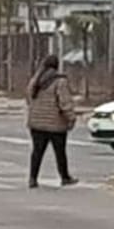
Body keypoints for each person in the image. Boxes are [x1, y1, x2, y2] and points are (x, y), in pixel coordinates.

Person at [25, 55, 78, 189]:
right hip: (56, 124)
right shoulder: (60, 82)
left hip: (36, 123)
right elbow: (64, 102)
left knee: (37, 151)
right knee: (60, 152)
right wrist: (71, 117)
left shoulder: (35, 80)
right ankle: (64, 177)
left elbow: (28, 99)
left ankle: (33, 178)